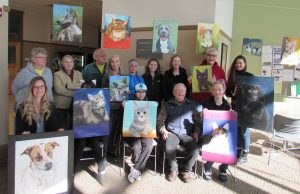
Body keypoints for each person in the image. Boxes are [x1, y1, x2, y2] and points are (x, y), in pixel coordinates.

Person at [157, 83, 201, 183]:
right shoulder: (167, 104)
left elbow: (198, 121)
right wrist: (163, 130)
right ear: (173, 92)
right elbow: (160, 121)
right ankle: (174, 169)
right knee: (169, 147)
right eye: (177, 91)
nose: (180, 93)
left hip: (187, 134)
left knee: (195, 150)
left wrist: (196, 132)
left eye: (182, 91)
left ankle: (186, 170)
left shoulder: (192, 105)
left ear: (185, 92)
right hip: (172, 132)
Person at [73, 81, 109, 186]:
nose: (86, 90)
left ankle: (101, 170)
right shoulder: (76, 100)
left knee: (95, 143)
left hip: (93, 132)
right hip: (80, 132)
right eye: (84, 88)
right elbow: (73, 117)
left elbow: (104, 120)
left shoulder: (101, 104)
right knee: (81, 144)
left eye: (89, 88)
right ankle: (72, 171)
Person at [202, 81, 231, 182]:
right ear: (212, 91)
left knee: (229, 145)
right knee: (214, 143)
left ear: (223, 91)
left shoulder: (227, 105)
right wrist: (203, 113)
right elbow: (204, 122)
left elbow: (229, 122)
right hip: (210, 131)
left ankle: (223, 168)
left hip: (223, 131)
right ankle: (208, 165)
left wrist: (231, 115)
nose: (217, 92)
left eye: (219, 89)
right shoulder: (207, 103)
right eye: (214, 90)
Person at [125, 83, 154, 183]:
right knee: (137, 145)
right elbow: (125, 120)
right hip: (132, 131)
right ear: (135, 93)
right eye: (139, 92)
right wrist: (123, 107)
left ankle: (135, 168)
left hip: (145, 131)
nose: (141, 94)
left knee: (149, 145)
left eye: (143, 92)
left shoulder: (150, 103)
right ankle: (138, 169)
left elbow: (152, 120)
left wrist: (155, 107)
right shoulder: (129, 102)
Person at [226, 55, 253, 164]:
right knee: (236, 130)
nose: (238, 65)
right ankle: (237, 151)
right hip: (235, 106)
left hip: (246, 108)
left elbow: (253, 94)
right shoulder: (232, 76)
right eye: (236, 63)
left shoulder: (250, 76)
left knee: (245, 132)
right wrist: (233, 93)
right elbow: (228, 93)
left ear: (245, 64)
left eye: (240, 63)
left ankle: (245, 154)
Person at [102, 54, 124, 155]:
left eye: (117, 61)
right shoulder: (106, 76)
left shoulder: (122, 76)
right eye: (113, 61)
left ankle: (112, 150)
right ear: (110, 64)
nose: (115, 64)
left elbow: (124, 93)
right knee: (108, 131)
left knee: (116, 131)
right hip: (109, 108)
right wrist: (107, 90)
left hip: (120, 108)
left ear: (120, 63)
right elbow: (101, 91)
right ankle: (104, 154)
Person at [53, 55, 82, 130]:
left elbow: (82, 86)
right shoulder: (57, 74)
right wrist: (75, 93)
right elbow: (58, 89)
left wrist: (67, 85)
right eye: (66, 62)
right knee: (62, 129)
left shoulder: (79, 74)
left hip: (76, 106)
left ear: (73, 63)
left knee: (73, 128)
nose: (69, 64)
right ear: (62, 63)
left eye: (70, 62)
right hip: (61, 107)